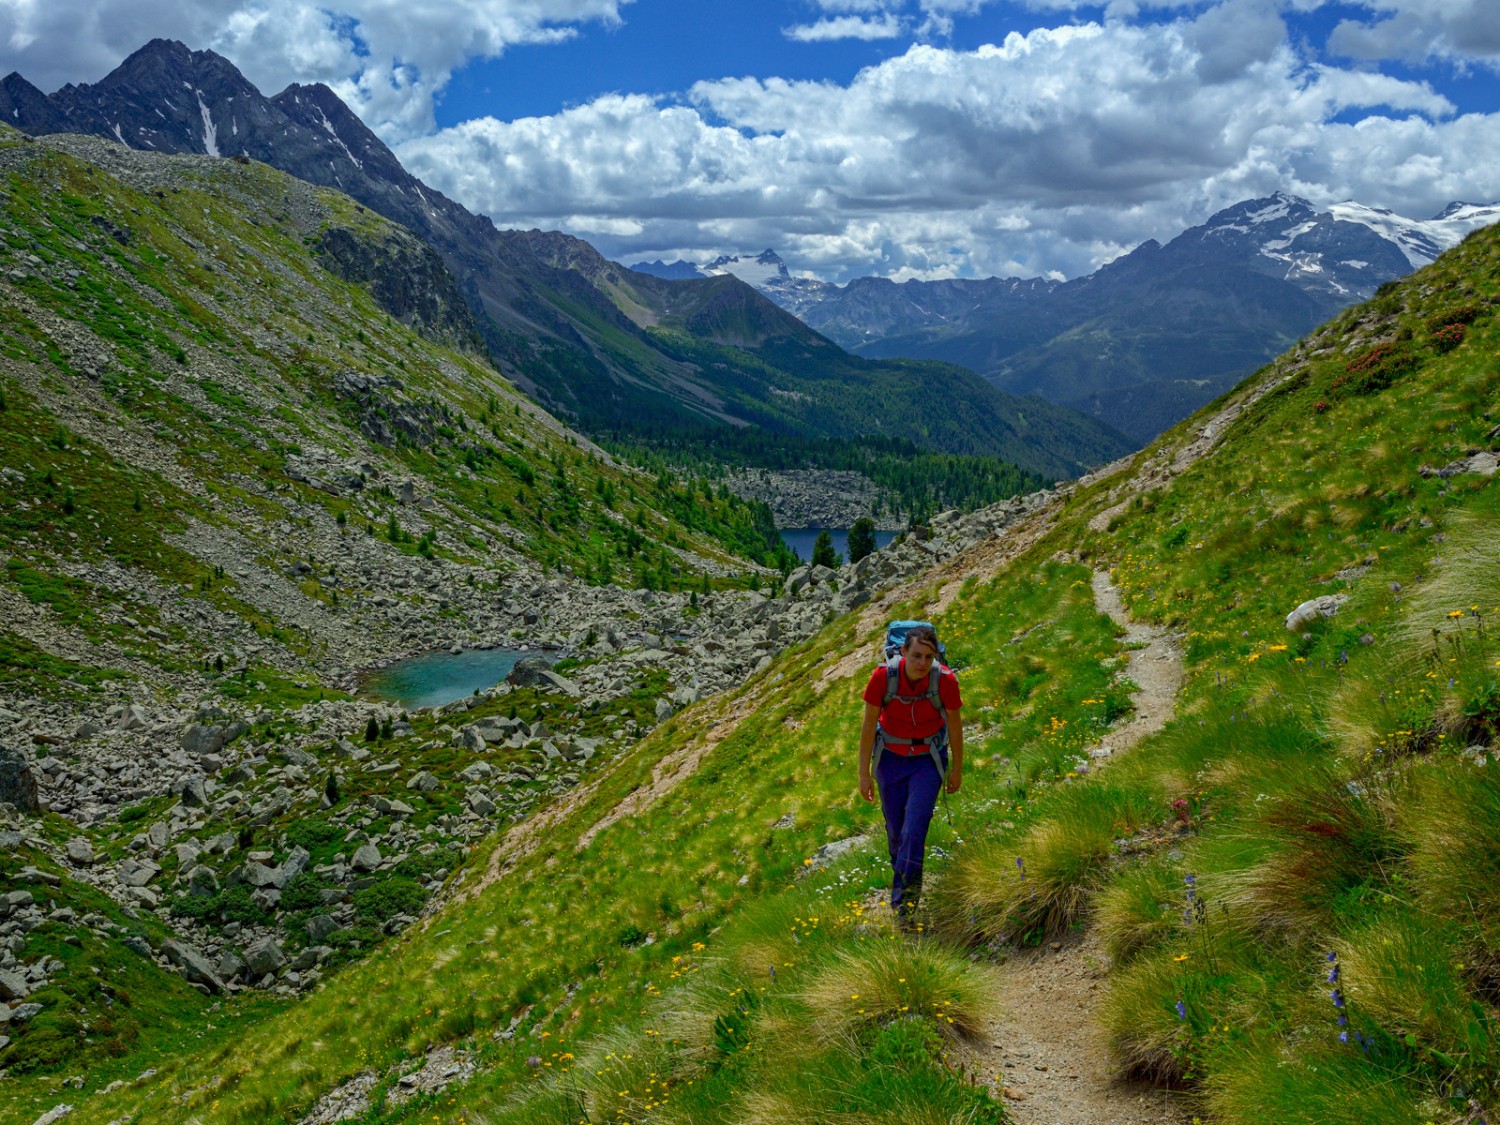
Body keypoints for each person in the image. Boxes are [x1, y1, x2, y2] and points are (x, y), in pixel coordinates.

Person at [858, 625, 963, 922]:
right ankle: (904, 881)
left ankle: (904, 905)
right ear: (902, 652)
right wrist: (864, 774)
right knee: (896, 832)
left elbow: (955, 727)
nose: (922, 663)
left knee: (914, 830)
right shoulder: (883, 677)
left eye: (929, 657)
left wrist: (957, 769)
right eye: (916, 655)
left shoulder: (945, 681)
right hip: (889, 760)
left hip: (927, 762)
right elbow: (868, 727)